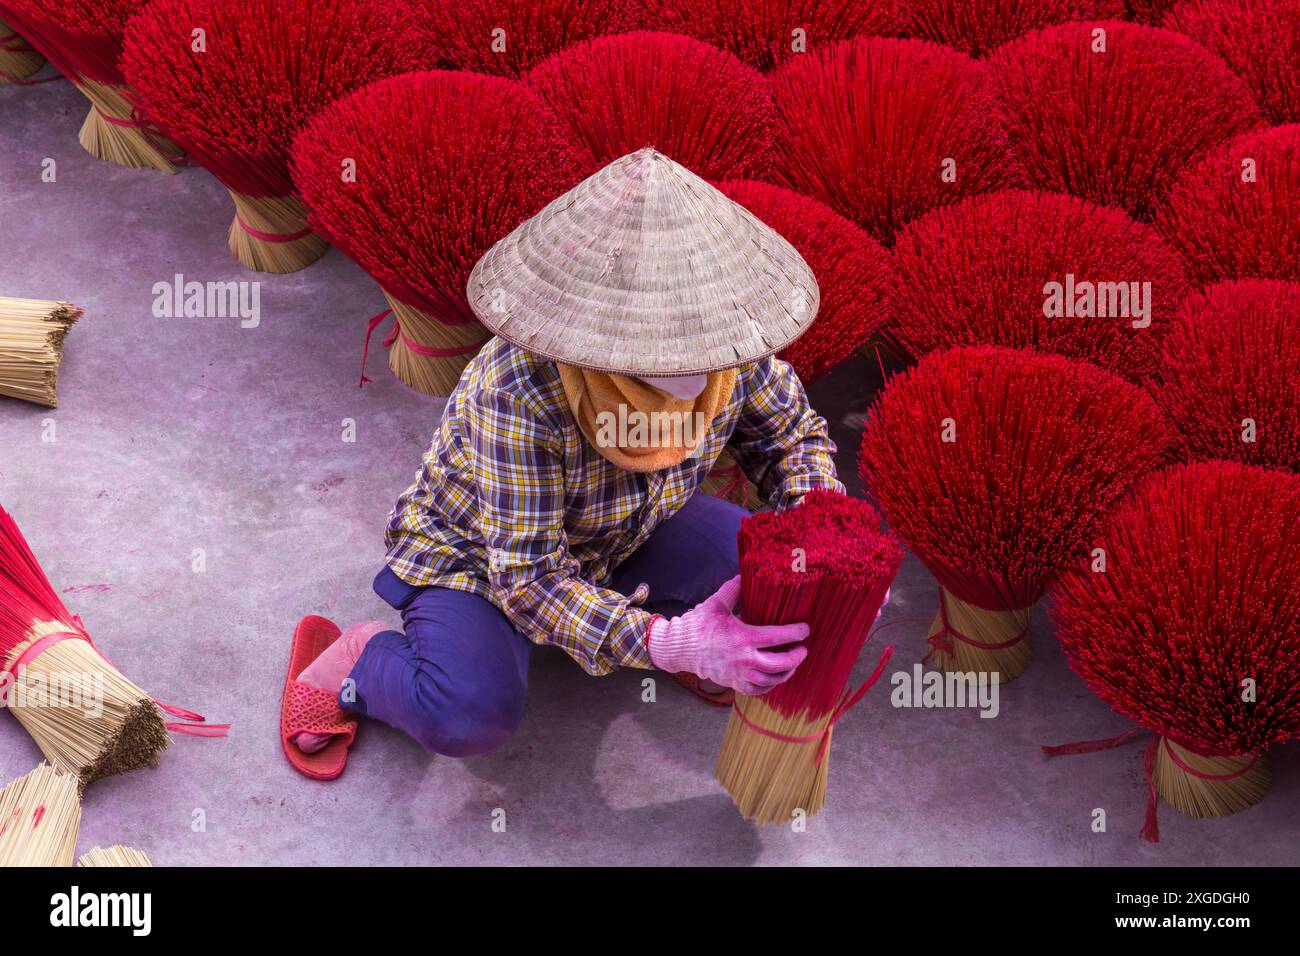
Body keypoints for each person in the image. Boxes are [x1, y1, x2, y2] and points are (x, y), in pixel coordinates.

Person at [279, 149, 843, 780]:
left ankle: (679, 626)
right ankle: (358, 660)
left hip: (632, 529)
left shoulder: (731, 340)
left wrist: (822, 545)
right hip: (485, 561)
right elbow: (531, 580)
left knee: (776, 575)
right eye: (668, 345)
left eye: (703, 339)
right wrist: (668, 643)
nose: (700, 361)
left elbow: (791, 438)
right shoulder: (518, 391)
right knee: (468, 715)